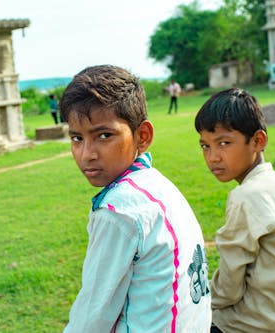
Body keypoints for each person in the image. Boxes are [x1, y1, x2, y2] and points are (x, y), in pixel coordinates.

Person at [59, 64, 211, 333]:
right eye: (76, 138)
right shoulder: (156, 184)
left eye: (104, 135)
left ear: (143, 136)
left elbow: (91, 318)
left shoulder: (118, 211)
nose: (86, 154)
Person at [194, 88, 275, 333]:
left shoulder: (245, 196)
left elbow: (228, 289)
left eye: (224, 143)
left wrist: (198, 305)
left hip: (253, 325)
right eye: (205, 146)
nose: (213, 157)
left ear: (258, 141)